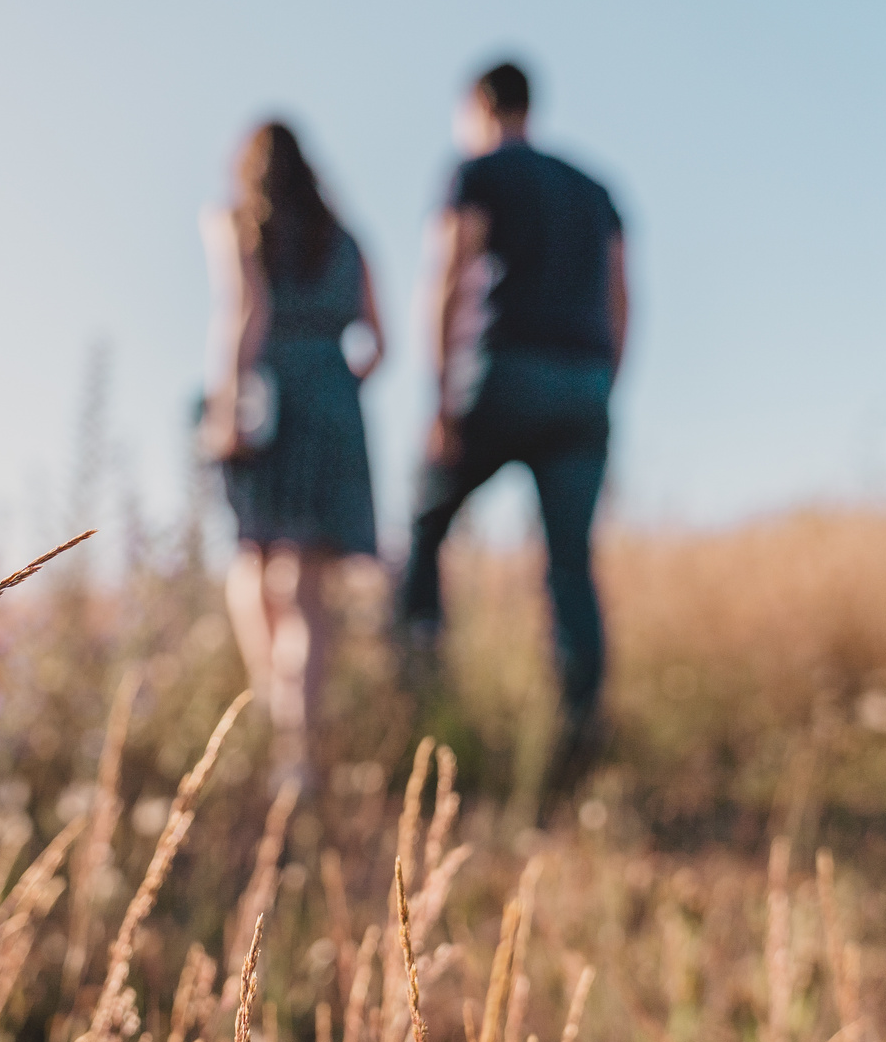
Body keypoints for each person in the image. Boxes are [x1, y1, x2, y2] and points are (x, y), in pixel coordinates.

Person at [398, 60, 630, 816]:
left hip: (505, 372)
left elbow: (447, 275)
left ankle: (420, 690)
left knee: (426, 522)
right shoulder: (596, 190)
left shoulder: (475, 171)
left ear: (479, 106)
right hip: (585, 382)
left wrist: (439, 396)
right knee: (569, 560)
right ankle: (580, 721)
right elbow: (622, 297)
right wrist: (605, 388)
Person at [200, 121, 386, 787]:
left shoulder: (235, 222)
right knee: (308, 588)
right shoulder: (347, 237)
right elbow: (377, 340)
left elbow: (243, 310)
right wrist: (334, 391)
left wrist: (227, 405)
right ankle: (298, 754)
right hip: (335, 400)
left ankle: (275, 720)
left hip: (268, 396)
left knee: (252, 557)